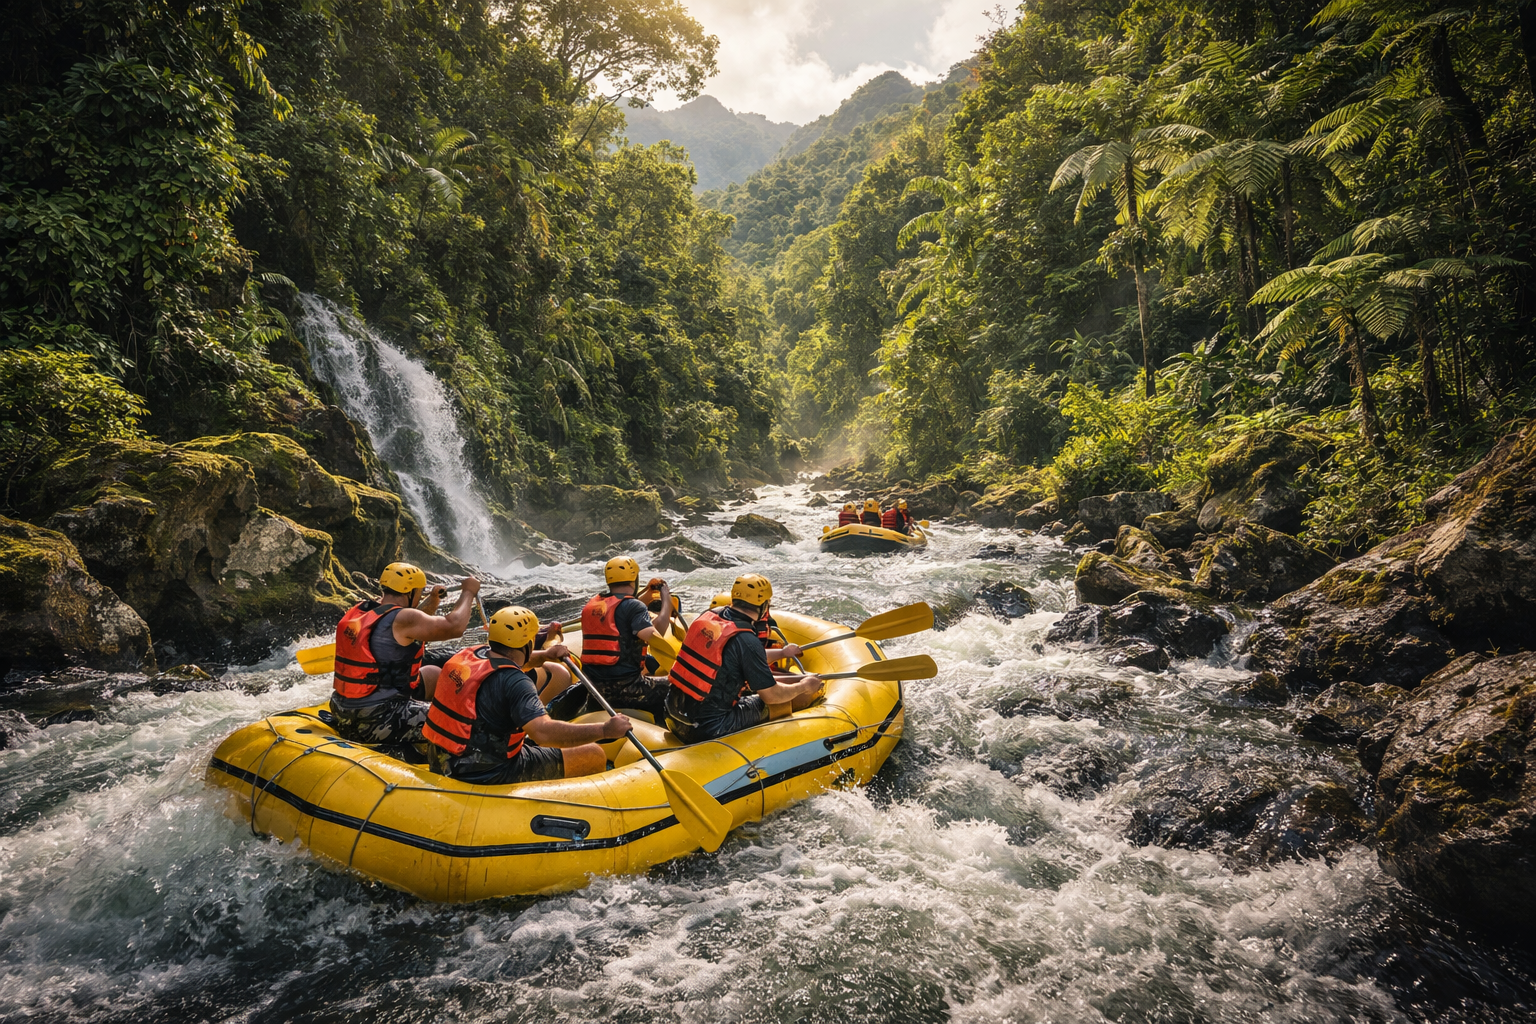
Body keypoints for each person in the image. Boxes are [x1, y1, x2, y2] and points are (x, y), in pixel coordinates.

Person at [424, 606, 633, 784]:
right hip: (489, 773)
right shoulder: (517, 683)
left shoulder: (470, 654)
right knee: (593, 755)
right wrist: (605, 729)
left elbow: (508, 660)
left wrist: (546, 655)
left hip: (443, 759)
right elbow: (542, 733)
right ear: (528, 643)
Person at [330, 562, 480, 745]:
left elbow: (407, 625)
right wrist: (468, 592)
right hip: (378, 718)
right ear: (410, 592)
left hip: (343, 709)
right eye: (419, 591)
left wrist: (433, 600)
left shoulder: (364, 610)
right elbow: (454, 627)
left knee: (432, 674)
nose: (420, 595)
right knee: (467, 725)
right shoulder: (404, 619)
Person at [665, 574, 823, 743]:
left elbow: (738, 658)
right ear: (764, 605)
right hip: (707, 728)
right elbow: (772, 695)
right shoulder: (747, 640)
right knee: (783, 701)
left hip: (672, 715)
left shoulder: (710, 618)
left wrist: (782, 653)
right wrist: (803, 686)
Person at [569, 556, 673, 720]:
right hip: (628, 689)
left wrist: (647, 592)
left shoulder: (595, 604)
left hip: (594, 688)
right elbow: (656, 633)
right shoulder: (634, 606)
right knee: (676, 685)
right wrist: (666, 599)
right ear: (634, 579)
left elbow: (625, 612)